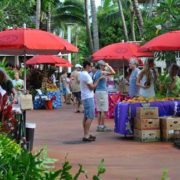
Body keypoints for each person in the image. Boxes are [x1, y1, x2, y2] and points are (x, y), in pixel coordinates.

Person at [80, 60, 103, 142]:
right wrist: (99, 80)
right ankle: (86, 135)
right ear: (87, 66)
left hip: (85, 96)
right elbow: (92, 87)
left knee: (86, 116)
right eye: (91, 66)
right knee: (90, 116)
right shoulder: (86, 75)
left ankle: (86, 133)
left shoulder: (82, 74)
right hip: (88, 97)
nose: (92, 68)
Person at [93, 60, 115, 132]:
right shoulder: (102, 72)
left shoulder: (96, 73)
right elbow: (113, 72)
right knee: (103, 110)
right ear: (100, 66)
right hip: (102, 92)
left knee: (99, 110)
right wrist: (108, 65)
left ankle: (99, 125)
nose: (104, 66)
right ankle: (102, 126)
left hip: (98, 91)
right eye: (103, 65)